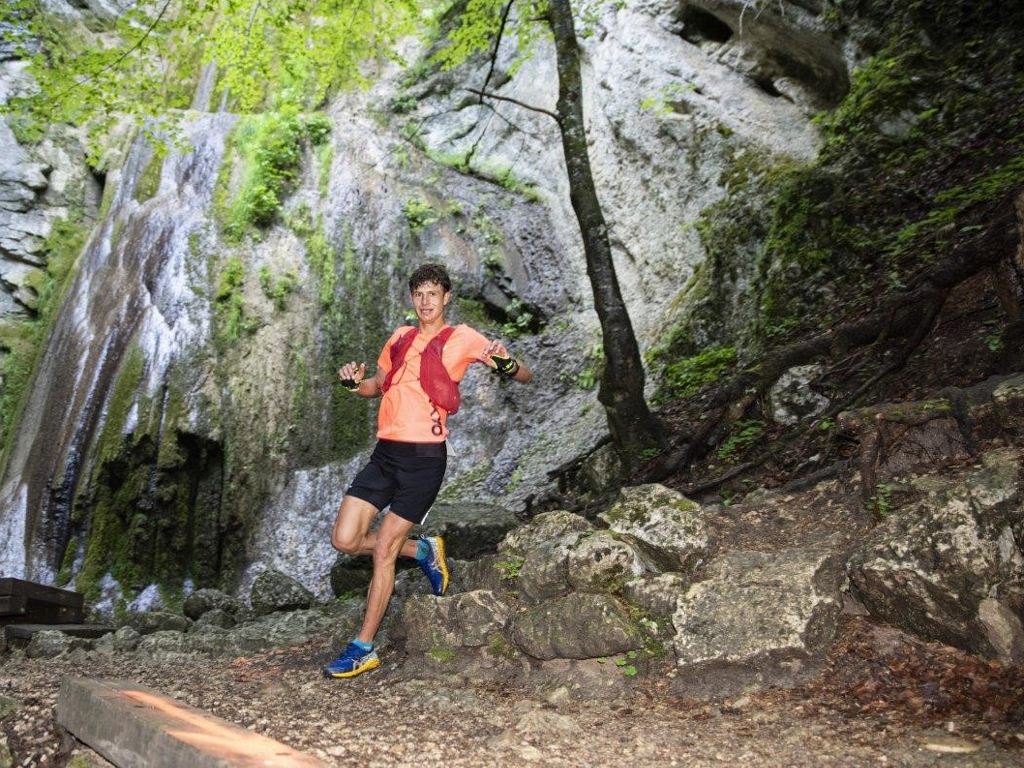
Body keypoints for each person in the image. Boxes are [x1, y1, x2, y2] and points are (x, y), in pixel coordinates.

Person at [323, 262, 533, 678]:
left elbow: (526, 376)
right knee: (344, 540)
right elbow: (375, 387)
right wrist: (353, 383)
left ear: (446, 298)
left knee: (382, 549)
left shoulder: (464, 338)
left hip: (424, 460)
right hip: (385, 454)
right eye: (418, 294)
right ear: (412, 297)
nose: (425, 301)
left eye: (432, 294)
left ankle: (364, 647)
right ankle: (422, 551)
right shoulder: (399, 337)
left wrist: (508, 364)